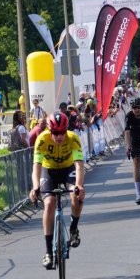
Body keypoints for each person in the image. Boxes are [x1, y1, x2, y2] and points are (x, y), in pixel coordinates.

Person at [29, 112, 85, 270]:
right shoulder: (42, 139)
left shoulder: (73, 138)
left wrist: (79, 186)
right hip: (49, 171)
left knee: (76, 194)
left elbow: (79, 165)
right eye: (55, 132)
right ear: (49, 130)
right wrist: (35, 187)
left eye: (62, 132)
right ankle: (48, 253)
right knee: (49, 203)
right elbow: (36, 167)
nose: (59, 136)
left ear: (66, 130)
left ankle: (74, 228)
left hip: (67, 169)